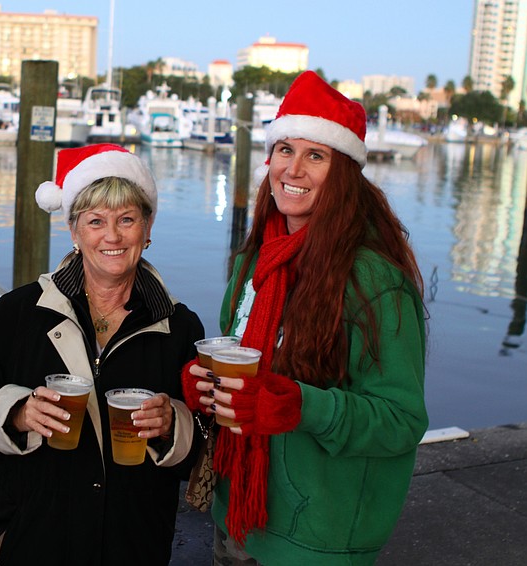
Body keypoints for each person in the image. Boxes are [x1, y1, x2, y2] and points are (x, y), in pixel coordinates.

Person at [181, 71, 428, 565]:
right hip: (238, 517)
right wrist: (205, 382)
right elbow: (238, 355)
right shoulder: (257, 260)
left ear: (343, 174)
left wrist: (300, 406)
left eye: (316, 155)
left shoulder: (374, 280)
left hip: (316, 539)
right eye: (285, 150)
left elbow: (401, 420)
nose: (293, 169)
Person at [0, 143, 205, 565]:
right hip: (35, 539)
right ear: (74, 232)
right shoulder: (19, 314)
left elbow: (205, 442)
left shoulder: (179, 327)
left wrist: (173, 425)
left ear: (147, 230)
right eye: (96, 221)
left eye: (127, 219)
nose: (112, 236)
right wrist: (17, 413)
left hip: (134, 544)